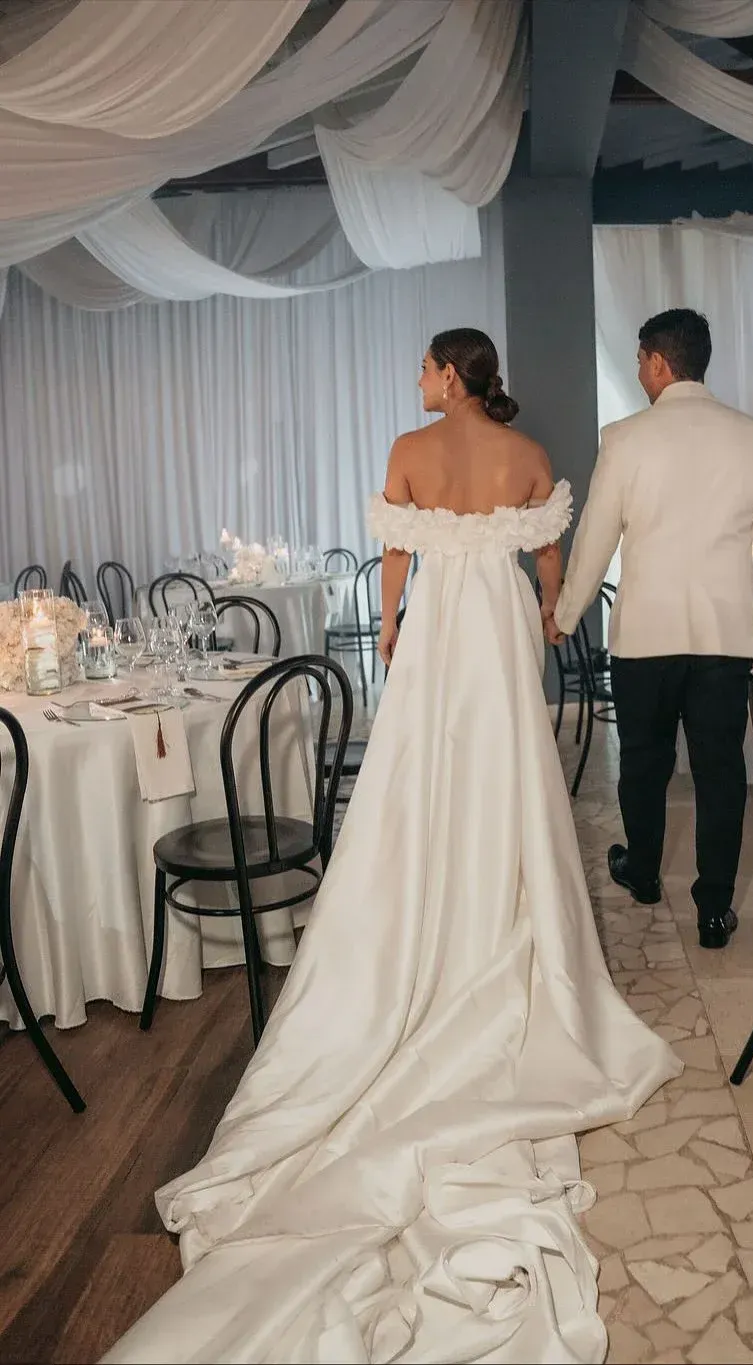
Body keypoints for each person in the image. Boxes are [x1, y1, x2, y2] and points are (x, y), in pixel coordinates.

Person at [104, 328, 679, 1365]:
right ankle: (503, 915)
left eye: (425, 367)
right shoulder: (529, 455)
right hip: (499, 625)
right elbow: (550, 556)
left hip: (442, 629)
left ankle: (428, 910)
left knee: (420, 777)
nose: (417, 381)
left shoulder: (410, 449)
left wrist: (397, 623)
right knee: (508, 770)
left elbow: (397, 557)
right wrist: (547, 607)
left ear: (449, 375)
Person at [555, 309, 753, 950]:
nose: (638, 371)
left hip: (645, 635)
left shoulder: (626, 438)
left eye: (639, 360)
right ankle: (714, 909)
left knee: (643, 762)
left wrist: (565, 614)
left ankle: (641, 872)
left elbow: (597, 538)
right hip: (723, 637)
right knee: (720, 771)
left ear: (660, 363)